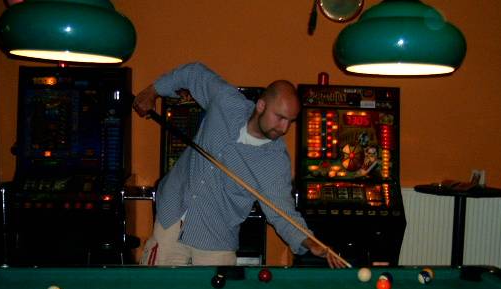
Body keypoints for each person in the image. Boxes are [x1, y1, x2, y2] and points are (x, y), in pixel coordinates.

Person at [133, 62, 348, 268]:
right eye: (280, 117)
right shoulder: (226, 103)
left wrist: (309, 241)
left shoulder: (274, 162)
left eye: (290, 121)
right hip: (172, 215)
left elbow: (282, 212)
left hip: (216, 239)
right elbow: (193, 72)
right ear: (261, 106)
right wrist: (153, 91)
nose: (284, 128)